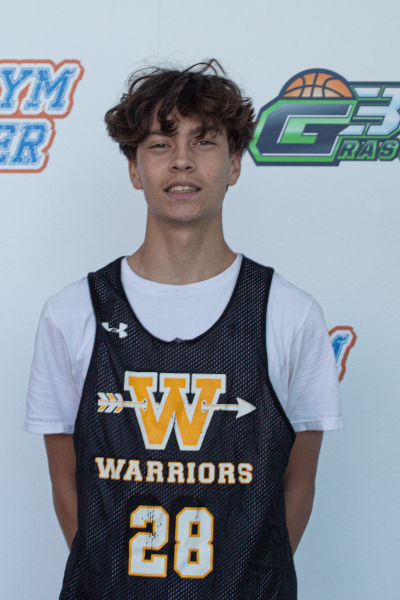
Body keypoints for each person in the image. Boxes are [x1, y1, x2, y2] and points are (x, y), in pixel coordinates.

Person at [24, 59, 343, 599]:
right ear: (134, 169)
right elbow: (66, 482)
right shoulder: (72, 312)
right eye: (159, 143)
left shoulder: (289, 312)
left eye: (204, 141)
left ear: (235, 163)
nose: (181, 161)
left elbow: (297, 484)